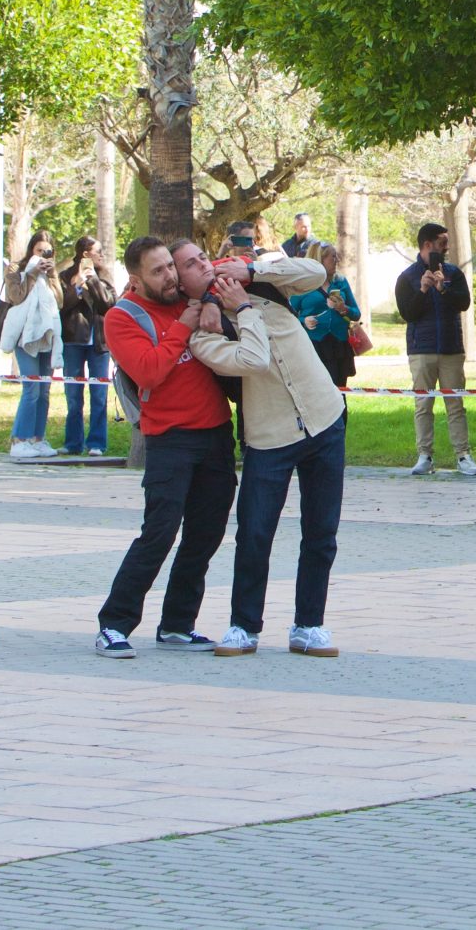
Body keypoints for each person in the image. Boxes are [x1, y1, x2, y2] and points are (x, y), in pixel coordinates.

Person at [182, 246, 346, 658]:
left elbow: (313, 273)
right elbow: (252, 359)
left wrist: (254, 270)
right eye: (190, 265)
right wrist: (240, 309)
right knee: (255, 534)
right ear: (183, 285)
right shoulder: (204, 332)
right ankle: (244, 626)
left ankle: (309, 625)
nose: (204, 265)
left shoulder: (262, 282)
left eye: (203, 256)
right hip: (269, 437)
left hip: (324, 417)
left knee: (321, 533)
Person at [94, 235, 237, 659]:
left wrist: (208, 302)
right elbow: (151, 371)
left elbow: (218, 269)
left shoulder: (186, 297)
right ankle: (113, 625)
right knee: (158, 534)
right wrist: (184, 325)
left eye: (171, 267)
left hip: (215, 434)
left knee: (205, 534)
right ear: (136, 280)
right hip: (168, 440)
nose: (171, 276)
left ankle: (177, 623)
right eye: (158, 271)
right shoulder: (123, 317)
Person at [394, 223, 476, 476]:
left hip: (451, 348)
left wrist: (443, 288)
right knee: (423, 404)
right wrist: (422, 289)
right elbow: (407, 313)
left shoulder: (454, 273)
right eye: (442, 242)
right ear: (427, 245)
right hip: (421, 349)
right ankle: (425, 456)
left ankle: (463, 456)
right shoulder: (407, 277)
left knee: (455, 404)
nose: (447, 246)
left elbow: (464, 303)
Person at [1, 231, 63, 461]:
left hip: (47, 333)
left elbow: (59, 301)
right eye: (39, 251)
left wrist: (52, 274)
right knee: (32, 389)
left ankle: (38, 438)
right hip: (24, 336)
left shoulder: (51, 274)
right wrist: (32, 274)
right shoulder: (16, 270)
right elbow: (15, 297)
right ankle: (20, 439)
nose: (43, 256)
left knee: (44, 390)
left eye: (47, 252)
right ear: (31, 251)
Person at [58, 236, 115, 458]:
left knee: (99, 394)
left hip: (99, 341)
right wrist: (76, 285)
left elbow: (109, 305)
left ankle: (97, 443)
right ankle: (73, 442)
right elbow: (62, 306)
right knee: (73, 394)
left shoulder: (104, 274)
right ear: (85, 254)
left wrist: (93, 282)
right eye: (97, 251)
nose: (101, 255)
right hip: (73, 340)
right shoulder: (65, 275)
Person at [290, 242, 362, 389]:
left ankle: (341, 413)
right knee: (317, 390)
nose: (337, 261)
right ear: (319, 260)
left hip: (339, 346)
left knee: (339, 390)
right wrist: (304, 320)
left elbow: (356, 314)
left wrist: (343, 309)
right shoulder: (303, 285)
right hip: (314, 346)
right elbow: (288, 315)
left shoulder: (340, 282)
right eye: (333, 257)